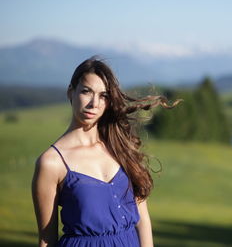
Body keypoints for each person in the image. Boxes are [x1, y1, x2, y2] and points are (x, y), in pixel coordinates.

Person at [31, 56, 183, 246]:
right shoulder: (51, 162)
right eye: (86, 91)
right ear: (71, 92)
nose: (94, 103)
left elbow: (142, 221)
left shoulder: (119, 146)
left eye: (103, 96)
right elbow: (47, 240)